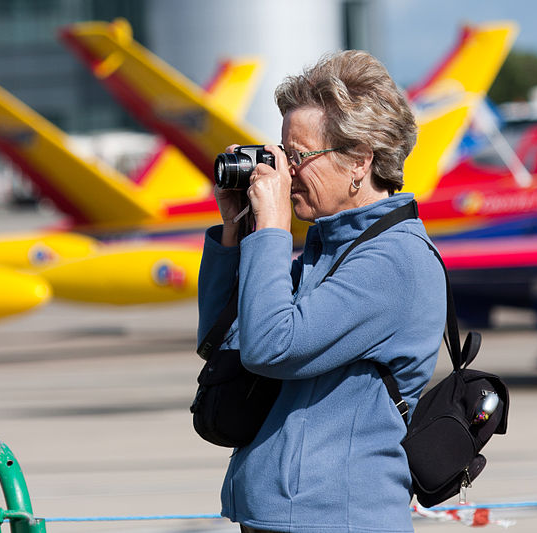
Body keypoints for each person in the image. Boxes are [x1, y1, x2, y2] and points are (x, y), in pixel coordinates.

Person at [197, 50, 446, 533]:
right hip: (283, 517)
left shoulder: (395, 260)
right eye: (283, 156)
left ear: (359, 161)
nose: (285, 173)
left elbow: (273, 348)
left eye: (299, 157)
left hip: (337, 519)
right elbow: (222, 344)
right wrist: (236, 232)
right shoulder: (327, 247)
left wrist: (271, 227)